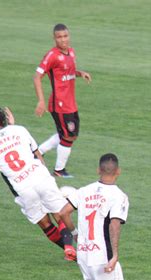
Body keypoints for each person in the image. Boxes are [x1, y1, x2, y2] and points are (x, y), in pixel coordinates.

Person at [0, 106, 75, 260]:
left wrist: (10, 127)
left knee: (45, 224)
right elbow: (37, 154)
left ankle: (76, 257)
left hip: (22, 188)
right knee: (60, 214)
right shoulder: (20, 130)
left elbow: (1, 139)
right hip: (39, 176)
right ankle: (69, 246)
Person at [59, 153, 129, 280]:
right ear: (118, 171)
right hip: (103, 255)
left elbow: (63, 213)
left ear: (98, 170)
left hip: (84, 253)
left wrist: (75, 233)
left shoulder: (83, 191)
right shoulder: (119, 196)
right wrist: (115, 255)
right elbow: (114, 224)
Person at [33, 23, 92, 178]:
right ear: (54, 38)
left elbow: (68, 72)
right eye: (59, 37)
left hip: (70, 102)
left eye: (65, 36)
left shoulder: (71, 52)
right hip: (59, 104)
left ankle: (38, 152)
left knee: (65, 134)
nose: (63, 40)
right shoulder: (51, 55)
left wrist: (80, 73)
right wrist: (41, 101)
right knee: (69, 136)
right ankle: (59, 171)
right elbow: (37, 76)